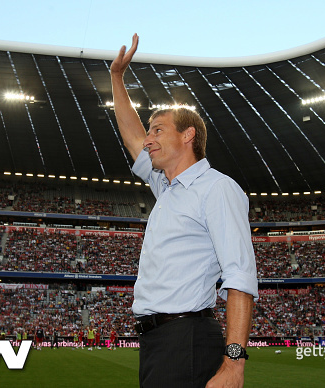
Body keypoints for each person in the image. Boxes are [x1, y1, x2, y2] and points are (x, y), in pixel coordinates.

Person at [110, 34, 258, 388]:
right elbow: (132, 138)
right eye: (149, 131)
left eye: (158, 130)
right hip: (159, 342)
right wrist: (117, 78)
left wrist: (235, 364)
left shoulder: (217, 189)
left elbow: (240, 276)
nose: (148, 139)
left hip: (186, 339)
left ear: (188, 135)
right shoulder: (167, 188)